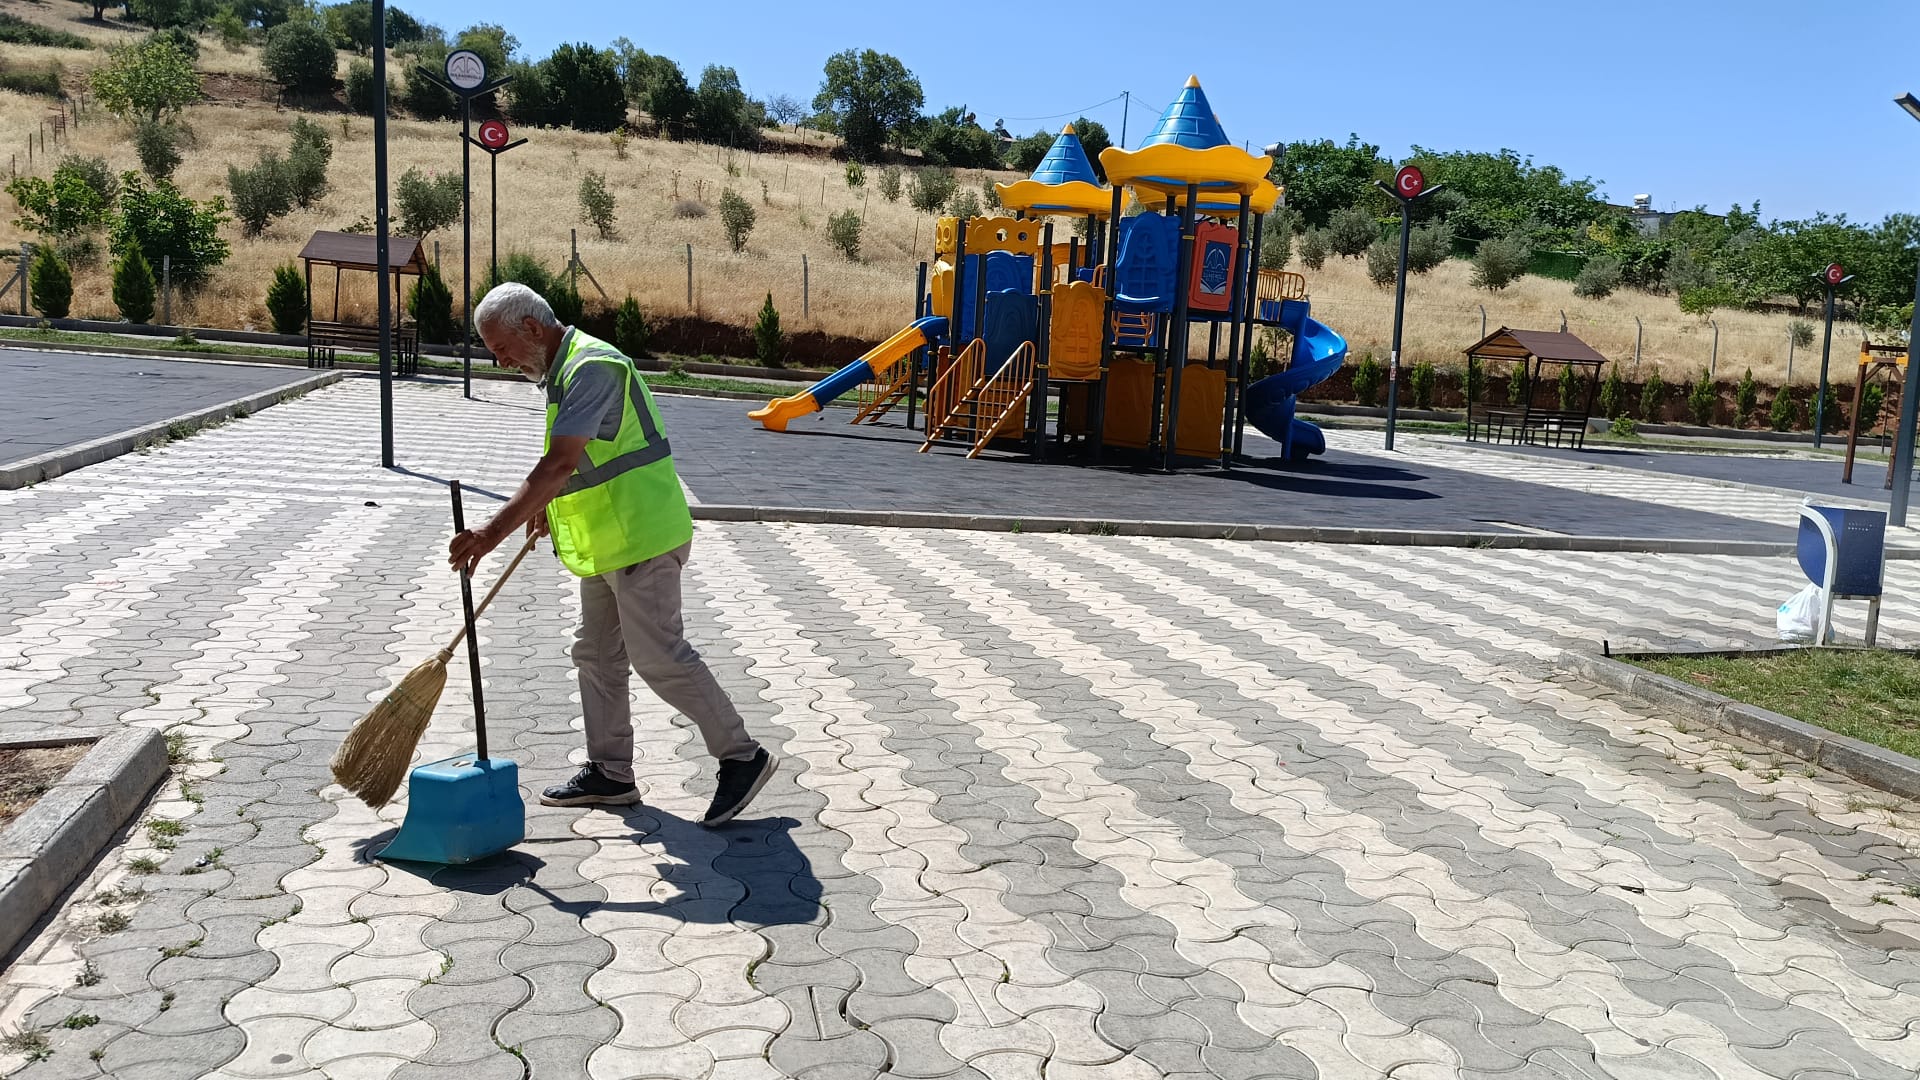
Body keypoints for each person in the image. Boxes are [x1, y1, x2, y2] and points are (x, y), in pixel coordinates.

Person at [449, 282, 776, 827]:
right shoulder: (561, 371)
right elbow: (580, 463)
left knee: (659, 655)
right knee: (596, 655)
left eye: (500, 346)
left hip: (642, 536)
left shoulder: (593, 367)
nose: (499, 360)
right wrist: (546, 509)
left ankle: (742, 756)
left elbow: (558, 464)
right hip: (611, 541)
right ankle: (610, 772)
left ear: (531, 327)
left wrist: (489, 532)